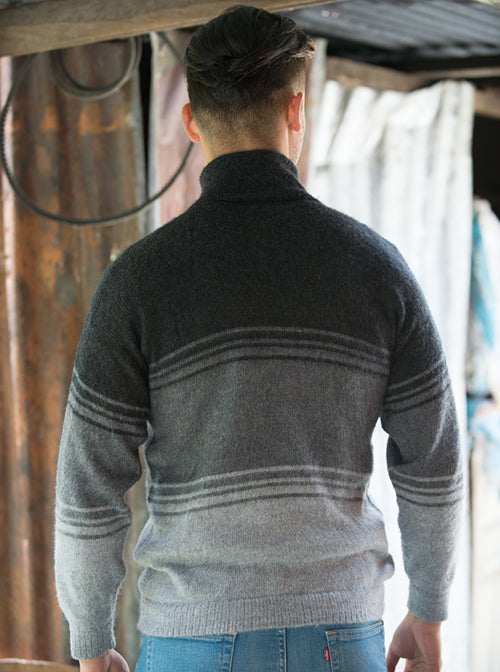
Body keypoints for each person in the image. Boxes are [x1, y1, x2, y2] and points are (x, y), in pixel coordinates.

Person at [54, 6, 464, 672]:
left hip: (191, 637)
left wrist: (91, 641)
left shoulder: (140, 280)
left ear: (192, 122)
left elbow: (87, 484)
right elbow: (434, 460)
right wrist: (429, 609)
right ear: (297, 110)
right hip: (342, 632)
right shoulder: (377, 269)